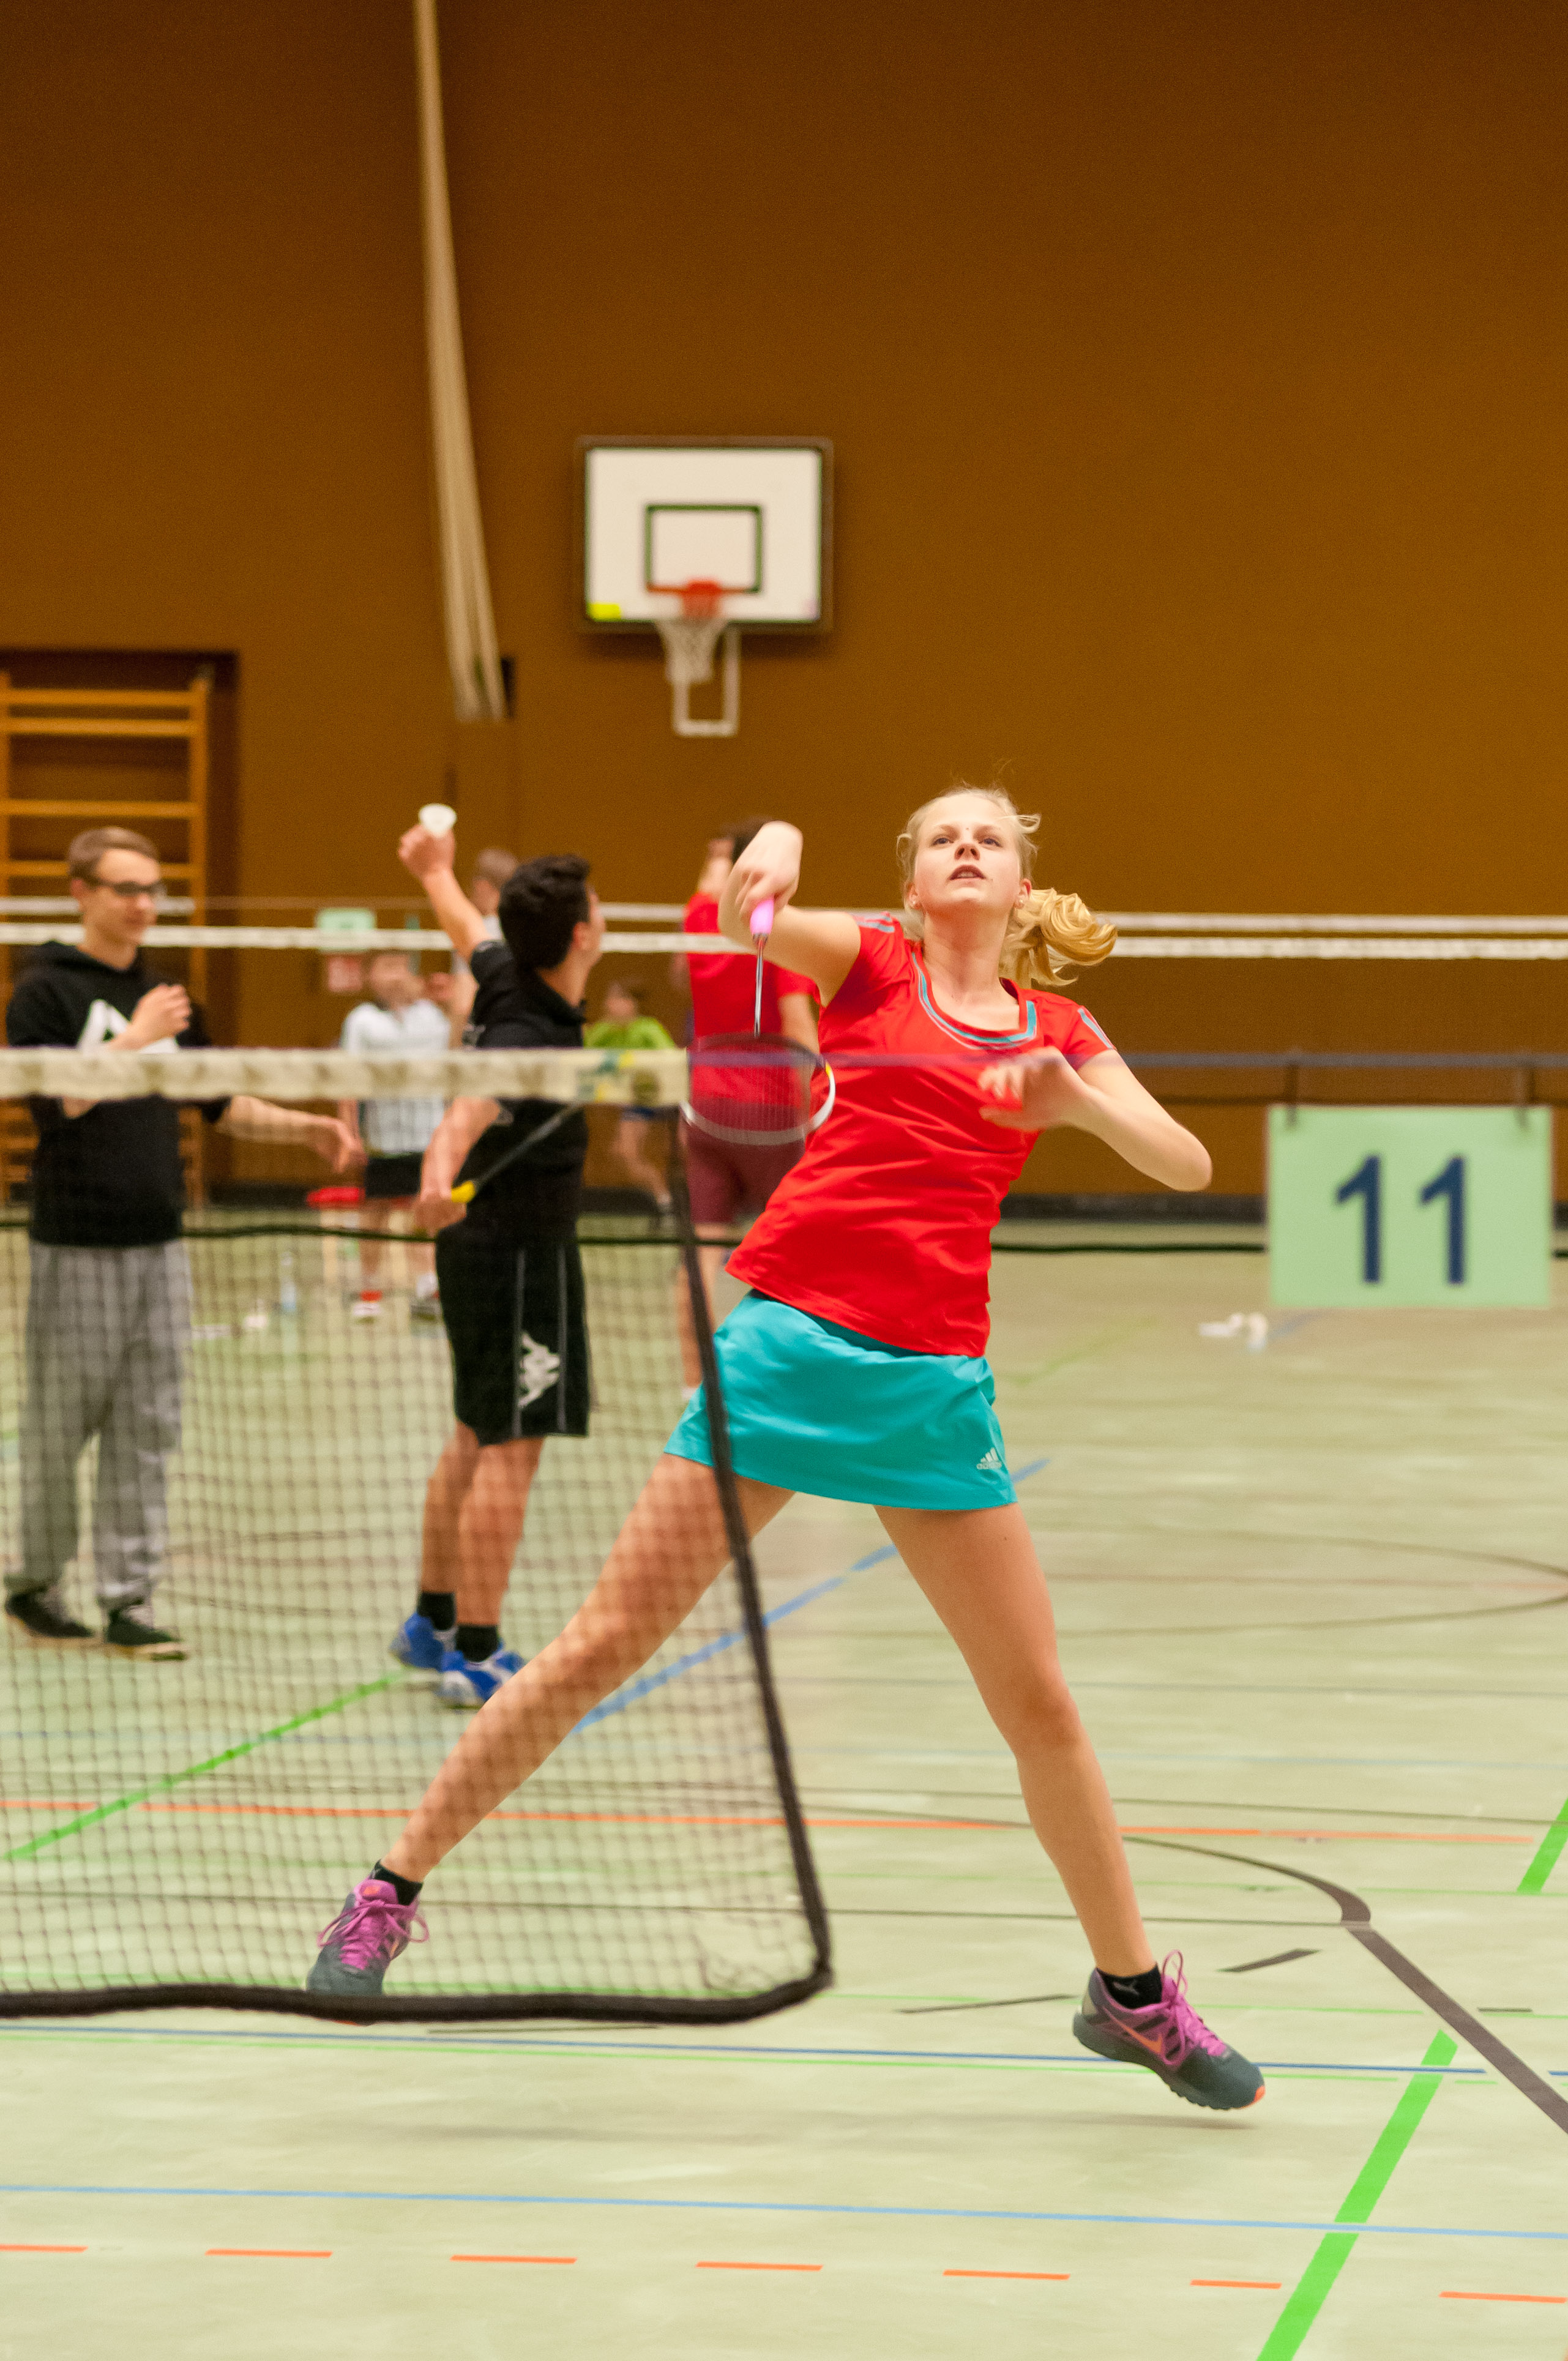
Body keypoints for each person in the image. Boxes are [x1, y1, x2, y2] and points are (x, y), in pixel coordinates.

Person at [306, 786, 1263, 2114]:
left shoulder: (1058, 1030)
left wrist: (1073, 1104)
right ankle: (385, 1894)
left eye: (989, 836)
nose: (966, 848)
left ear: (1019, 877)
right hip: (785, 1353)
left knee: (1038, 1704)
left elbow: (1190, 1162)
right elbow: (747, 922)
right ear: (914, 883)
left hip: (930, 1389)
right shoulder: (868, 962)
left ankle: (1131, 1995)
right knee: (599, 1644)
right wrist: (776, 853)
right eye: (941, 837)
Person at [5, 826, 359, 1658]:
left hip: (161, 1246)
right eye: (125, 888)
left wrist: (304, 1128)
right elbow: (59, 1100)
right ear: (82, 893)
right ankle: (36, 1584)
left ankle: (128, 1597)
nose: (143, 904)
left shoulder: (168, 995)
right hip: (76, 1244)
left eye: (152, 889)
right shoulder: (44, 992)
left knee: (148, 1424)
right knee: (60, 1426)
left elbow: (219, 1102)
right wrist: (133, 1038)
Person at [387, 825, 605, 1709]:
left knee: (474, 1434)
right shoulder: (527, 1030)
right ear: (583, 934)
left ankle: (431, 1619)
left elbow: (461, 925)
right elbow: (468, 1110)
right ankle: (475, 1651)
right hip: (519, 1260)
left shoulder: (506, 971)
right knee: (512, 1449)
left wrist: (435, 870)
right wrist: (435, 1176)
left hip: (479, 1249)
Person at [678, 817, 818, 1388]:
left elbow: (709, 885)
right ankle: (781, 1376)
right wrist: (825, 1106)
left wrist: (725, 853)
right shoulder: (780, 938)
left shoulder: (699, 922)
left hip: (704, 1106)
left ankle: (695, 1385)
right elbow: (798, 1029)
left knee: (700, 1253)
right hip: (772, 1116)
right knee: (793, 1253)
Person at [337, 950, 451, 1322]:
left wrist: (450, 1001)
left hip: (429, 1135)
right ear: (369, 977)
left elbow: (460, 1050)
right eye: (386, 968)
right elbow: (348, 1081)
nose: (396, 975)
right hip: (382, 1138)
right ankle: (370, 1289)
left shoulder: (434, 1016)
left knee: (425, 1212)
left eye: (402, 967)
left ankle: (426, 1287)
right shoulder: (362, 1021)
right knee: (376, 1214)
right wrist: (350, 1133)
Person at [584, 977, 675, 1215]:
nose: (611, 1004)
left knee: (628, 1152)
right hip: (624, 1104)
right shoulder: (604, 1030)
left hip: (651, 1100)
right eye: (610, 998)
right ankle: (664, 1201)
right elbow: (582, 1054)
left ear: (633, 1004)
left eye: (619, 998)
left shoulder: (648, 1028)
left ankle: (666, 1201)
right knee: (621, 1153)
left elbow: (671, 1059)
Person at [427, 846, 518, 1034]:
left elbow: (463, 1003)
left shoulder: (480, 930)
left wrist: (454, 1044)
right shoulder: (522, 930)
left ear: (482, 886)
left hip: (484, 1031)